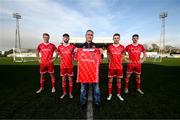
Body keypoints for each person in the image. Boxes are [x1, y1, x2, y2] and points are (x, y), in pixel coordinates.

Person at [78, 30, 101, 107]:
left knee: (96, 88)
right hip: (84, 71)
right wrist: (75, 51)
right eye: (88, 34)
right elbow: (76, 58)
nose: (90, 36)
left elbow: (101, 57)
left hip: (94, 71)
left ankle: (97, 102)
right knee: (83, 88)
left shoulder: (96, 46)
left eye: (91, 35)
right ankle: (82, 102)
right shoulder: (81, 46)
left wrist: (100, 52)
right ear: (85, 35)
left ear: (93, 36)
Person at [107, 33, 125, 101]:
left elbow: (123, 55)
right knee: (110, 81)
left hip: (119, 67)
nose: (116, 39)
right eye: (115, 38)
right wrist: (109, 61)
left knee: (119, 81)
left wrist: (120, 61)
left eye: (117, 38)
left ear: (119, 39)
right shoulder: (110, 47)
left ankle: (118, 94)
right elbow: (108, 54)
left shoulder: (122, 47)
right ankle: (110, 94)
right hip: (111, 67)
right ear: (113, 39)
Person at [57, 33, 75, 99]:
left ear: (69, 38)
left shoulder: (72, 46)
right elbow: (57, 53)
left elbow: (75, 53)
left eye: (67, 37)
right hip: (62, 66)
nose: (66, 38)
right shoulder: (59, 47)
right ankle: (64, 92)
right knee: (63, 80)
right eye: (64, 37)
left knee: (70, 80)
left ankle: (70, 93)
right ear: (63, 38)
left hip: (70, 66)